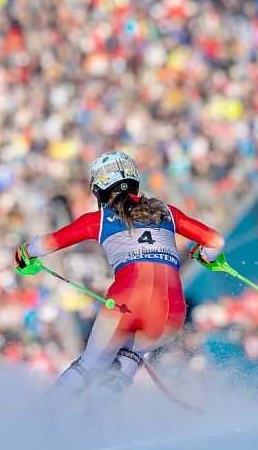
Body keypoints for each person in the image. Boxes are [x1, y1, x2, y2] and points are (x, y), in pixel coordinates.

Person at [14, 151, 225, 414]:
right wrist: (205, 256)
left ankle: (40, 421)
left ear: (100, 188)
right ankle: (91, 423)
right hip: (171, 311)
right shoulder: (167, 212)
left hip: (128, 302)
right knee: (129, 359)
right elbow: (216, 241)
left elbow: (46, 244)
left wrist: (24, 254)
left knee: (91, 365)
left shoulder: (99, 220)